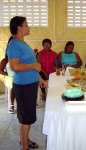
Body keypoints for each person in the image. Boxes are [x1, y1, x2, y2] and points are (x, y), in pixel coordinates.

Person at [6, 16, 48, 150]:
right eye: (26, 25)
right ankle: (24, 146)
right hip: (23, 86)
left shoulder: (22, 43)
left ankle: (26, 140)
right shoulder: (13, 44)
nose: (29, 27)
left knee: (28, 116)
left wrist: (40, 79)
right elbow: (14, 67)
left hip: (30, 84)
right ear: (19, 28)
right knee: (25, 118)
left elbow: (27, 65)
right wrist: (34, 65)